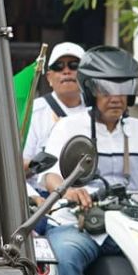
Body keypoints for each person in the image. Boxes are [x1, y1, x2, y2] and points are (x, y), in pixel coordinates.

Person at [42, 46, 138, 275]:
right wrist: (68, 191)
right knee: (65, 257)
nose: (116, 98)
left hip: (127, 227)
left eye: (123, 89)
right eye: (106, 89)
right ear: (90, 91)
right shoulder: (70, 127)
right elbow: (49, 176)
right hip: (77, 225)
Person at [22, 42, 87, 187]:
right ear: (49, 78)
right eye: (59, 67)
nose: (66, 71)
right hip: (45, 200)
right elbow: (17, 166)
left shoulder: (94, 111)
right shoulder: (33, 112)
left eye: (74, 65)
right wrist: (38, 164)